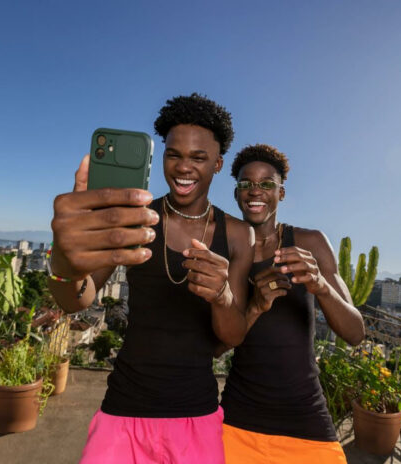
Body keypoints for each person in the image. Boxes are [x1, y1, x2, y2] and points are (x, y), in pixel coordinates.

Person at [48, 93, 253, 464]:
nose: (183, 167)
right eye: (174, 155)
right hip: (124, 409)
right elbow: (75, 299)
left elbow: (234, 335)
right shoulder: (134, 217)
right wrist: (63, 263)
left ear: (218, 164)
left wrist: (221, 295)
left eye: (198, 157)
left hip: (196, 414)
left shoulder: (239, 234)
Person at [220, 144, 365, 464]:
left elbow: (355, 333)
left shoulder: (310, 243)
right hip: (239, 417)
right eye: (246, 183)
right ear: (237, 193)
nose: (255, 191)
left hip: (306, 418)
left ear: (281, 193)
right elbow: (215, 347)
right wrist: (255, 306)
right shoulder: (226, 251)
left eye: (266, 183)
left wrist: (321, 286)